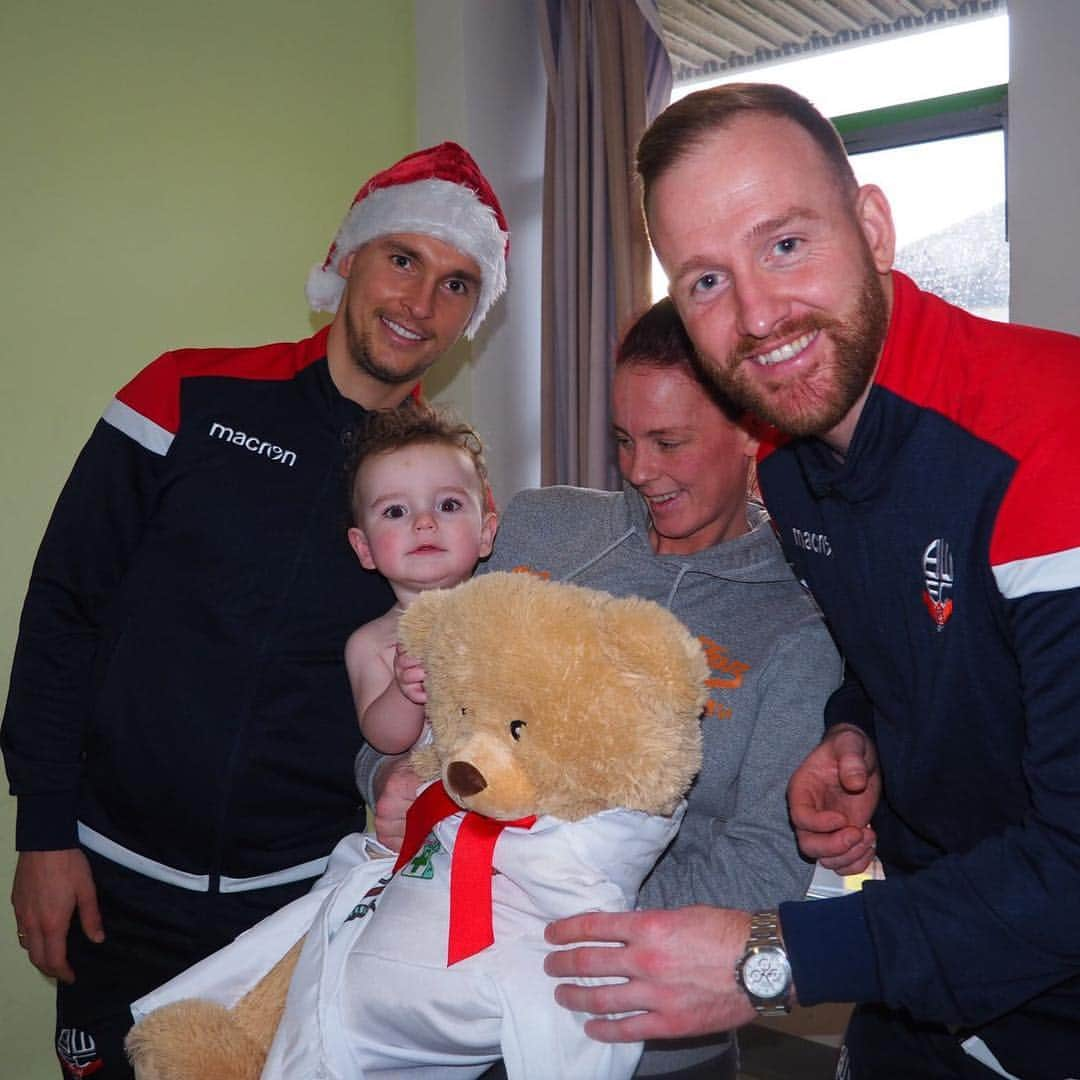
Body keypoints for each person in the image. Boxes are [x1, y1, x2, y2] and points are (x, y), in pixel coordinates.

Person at [543, 83, 1080, 1080]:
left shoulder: (1052, 437)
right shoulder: (788, 466)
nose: (756, 315)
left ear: (873, 226)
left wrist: (772, 959)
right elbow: (892, 659)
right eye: (704, 280)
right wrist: (851, 731)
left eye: (784, 244)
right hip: (929, 993)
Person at [1, 140, 508, 1080]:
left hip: (305, 904)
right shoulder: (184, 397)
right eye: (403, 259)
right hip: (114, 880)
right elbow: (66, 608)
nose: (419, 303)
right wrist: (43, 830)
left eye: (456, 285)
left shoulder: (444, 500)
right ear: (346, 258)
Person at [358, 295, 841, 1079]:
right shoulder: (537, 527)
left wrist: (529, 884)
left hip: (642, 1042)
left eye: (669, 441)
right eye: (623, 439)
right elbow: (425, 703)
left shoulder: (795, 631)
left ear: (753, 429)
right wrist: (383, 779)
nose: (640, 470)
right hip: (441, 1012)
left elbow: (762, 869)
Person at [343, 402, 497, 756]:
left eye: (448, 505)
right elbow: (384, 739)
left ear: (485, 533)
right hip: (443, 797)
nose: (424, 522)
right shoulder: (372, 645)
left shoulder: (508, 611)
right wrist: (403, 690)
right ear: (364, 548)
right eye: (395, 511)